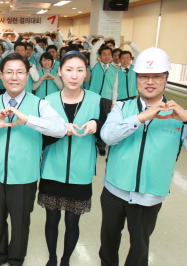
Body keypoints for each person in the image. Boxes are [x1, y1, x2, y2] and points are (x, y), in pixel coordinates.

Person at [0, 53, 67, 266]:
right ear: (1, 75)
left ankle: (16, 258)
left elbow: (60, 128)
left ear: (27, 76)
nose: (15, 77)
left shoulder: (39, 104)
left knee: (20, 221)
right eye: (9, 72)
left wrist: (28, 120)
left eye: (20, 72)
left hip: (24, 176)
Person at [99, 47, 187, 266]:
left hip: (150, 194)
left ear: (166, 79)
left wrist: (186, 120)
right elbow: (108, 136)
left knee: (139, 248)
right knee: (108, 243)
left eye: (157, 76)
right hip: (114, 190)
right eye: (145, 76)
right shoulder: (122, 107)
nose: (150, 81)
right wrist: (141, 117)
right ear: (137, 79)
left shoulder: (178, 114)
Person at [38, 51, 106, 266]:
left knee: (72, 221)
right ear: (59, 72)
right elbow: (39, 140)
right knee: (51, 220)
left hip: (81, 171)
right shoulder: (47, 102)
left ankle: (66, 260)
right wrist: (57, 131)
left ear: (86, 73)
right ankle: (52, 258)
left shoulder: (97, 101)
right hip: (51, 169)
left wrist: (98, 124)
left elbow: (106, 136)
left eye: (79, 70)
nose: (74, 75)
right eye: (69, 70)